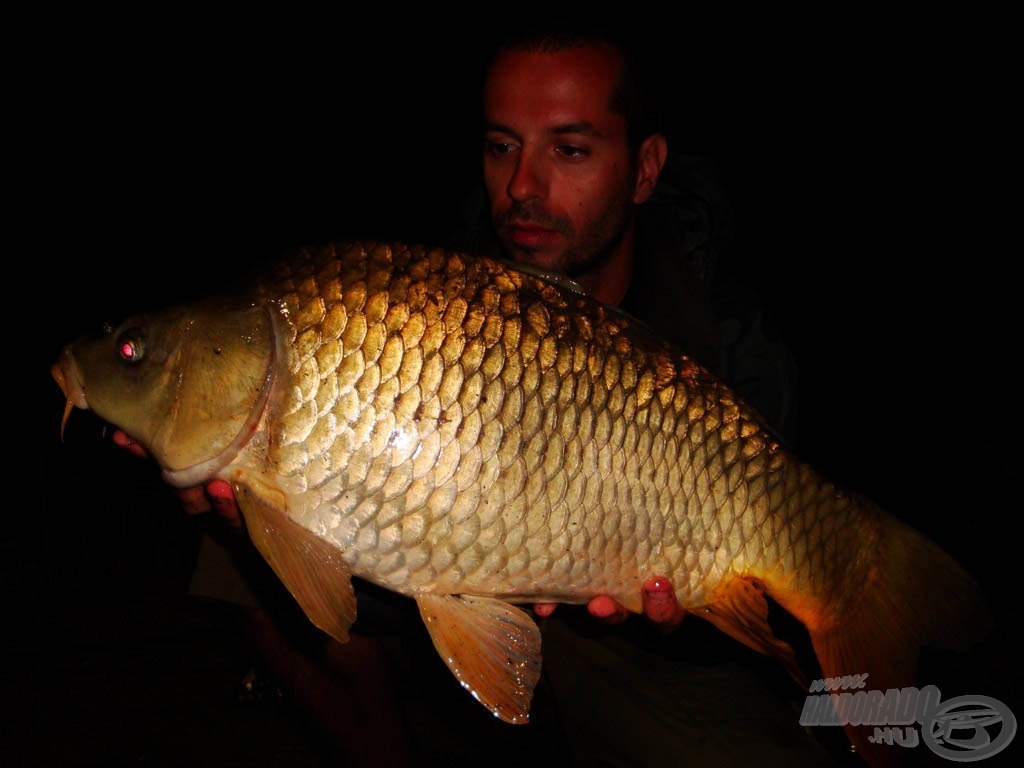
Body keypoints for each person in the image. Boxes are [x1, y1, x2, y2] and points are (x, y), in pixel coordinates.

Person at [115, 22, 842, 767]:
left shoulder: (729, 337)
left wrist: (682, 615)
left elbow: (738, 583)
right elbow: (349, 567)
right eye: (501, 146)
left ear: (646, 167)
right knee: (231, 556)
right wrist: (250, 523)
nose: (523, 185)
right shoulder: (436, 290)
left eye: (570, 149)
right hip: (430, 566)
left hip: (647, 648)